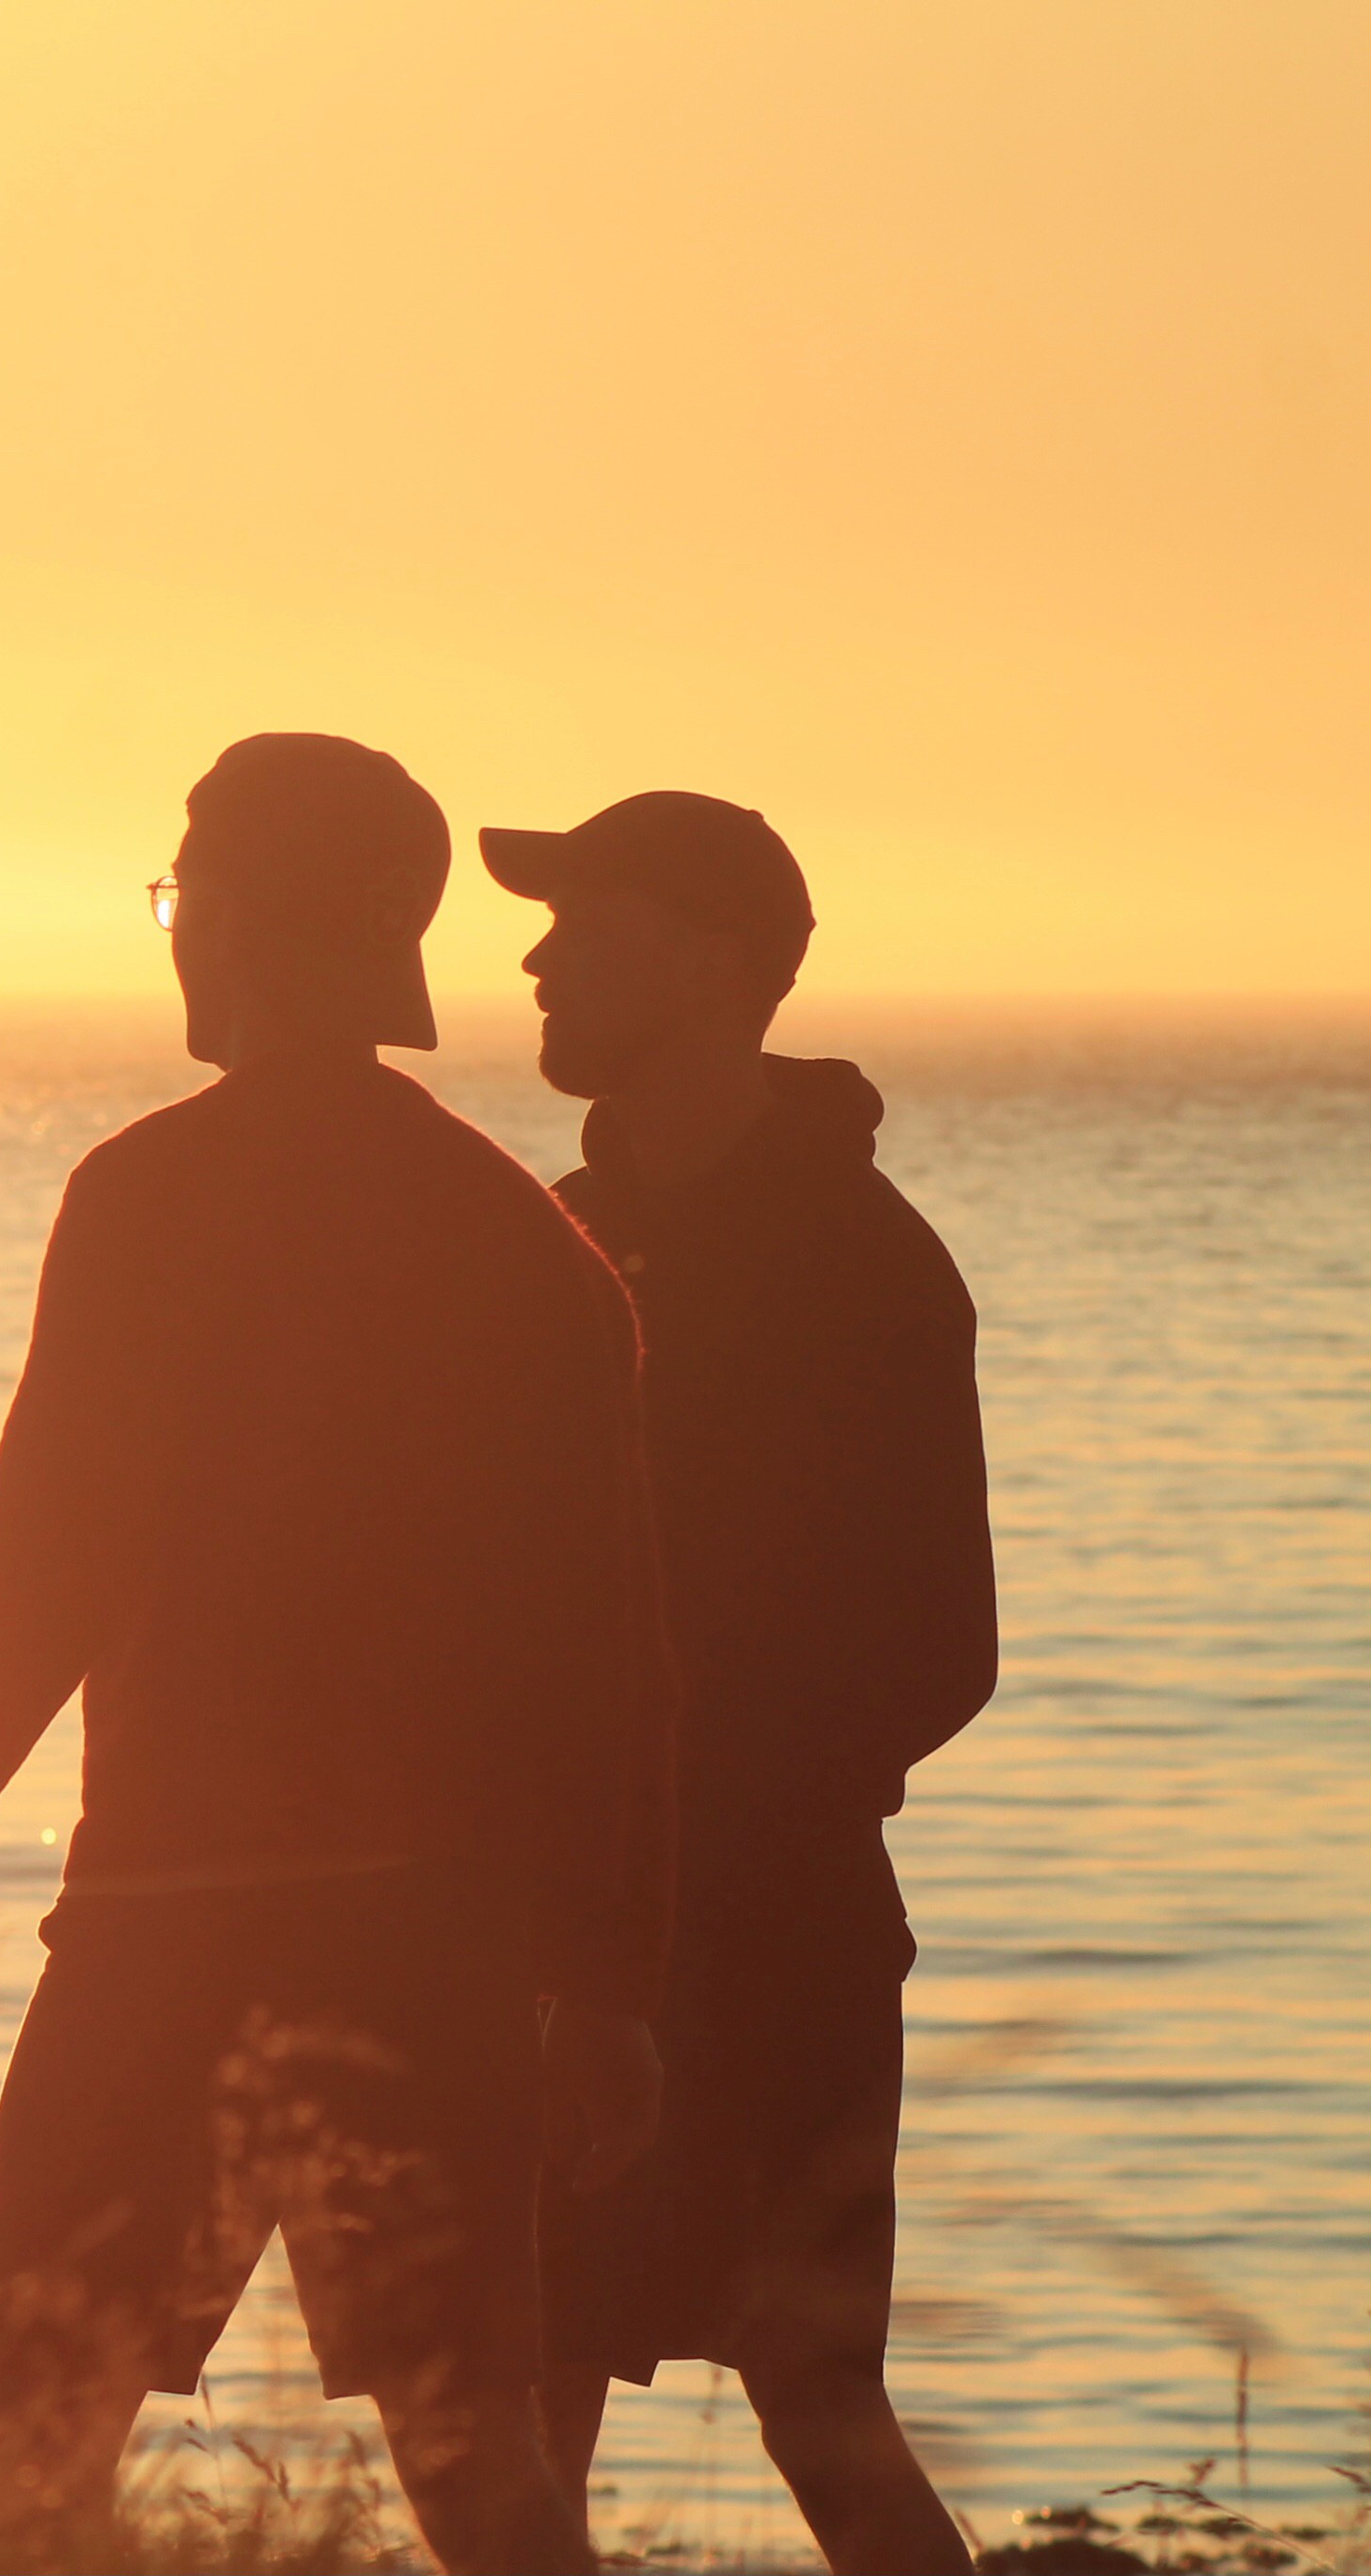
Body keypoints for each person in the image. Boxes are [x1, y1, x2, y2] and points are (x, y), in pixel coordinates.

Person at [0, 734, 680, 2575]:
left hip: (172, 1928)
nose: (174, 931)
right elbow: (604, 1653)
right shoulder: (525, 1252)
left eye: (188, 889)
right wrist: (602, 1975)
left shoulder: (149, 1195)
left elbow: (42, 1550)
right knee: (478, 2459)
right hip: (431, 1947)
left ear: (261, 919)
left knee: (27, 2437)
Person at [489, 795, 992, 2575]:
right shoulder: (551, 1236)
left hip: (775, 1931)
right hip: (562, 1924)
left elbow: (943, 1649)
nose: (533, 957)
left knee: (810, 2398)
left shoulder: (864, 1266)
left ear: (712, 964)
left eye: (583, 924)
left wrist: (688, 1830)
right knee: (518, 2393)